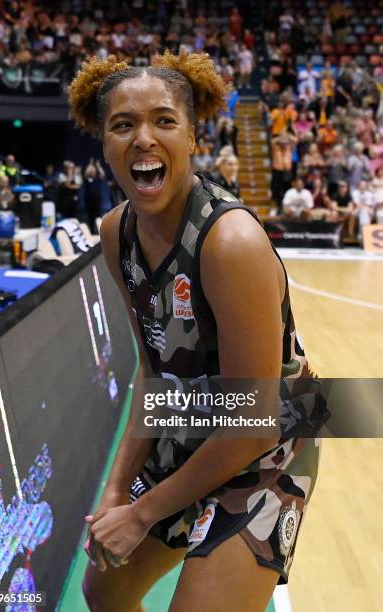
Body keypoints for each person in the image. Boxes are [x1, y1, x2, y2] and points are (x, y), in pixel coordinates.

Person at [69, 51, 325, 611]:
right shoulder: (116, 233)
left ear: (192, 137)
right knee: (104, 593)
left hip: (268, 439)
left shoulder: (231, 243)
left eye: (164, 120)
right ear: (102, 141)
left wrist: (141, 512)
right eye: (122, 124)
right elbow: (152, 370)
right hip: (192, 416)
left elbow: (252, 424)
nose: (143, 138)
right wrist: (116, 493)